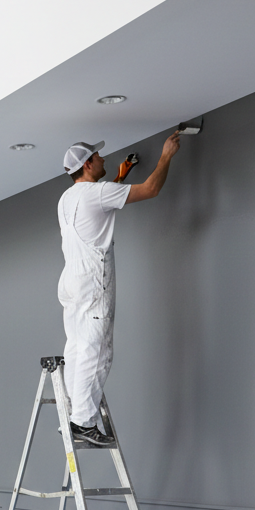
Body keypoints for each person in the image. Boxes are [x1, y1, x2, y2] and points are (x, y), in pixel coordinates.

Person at [57, 133, 181, 447]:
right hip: (92, 281)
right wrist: (166, 154)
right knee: (97, 353)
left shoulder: (68, 198)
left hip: (71, 279)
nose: (103, 158)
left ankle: (71, 417)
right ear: (87, 165)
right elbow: (151, 189)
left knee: (76, 346)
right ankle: (82, 423)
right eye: (97, 157)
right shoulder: (98, 193)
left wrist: (120, 176)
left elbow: (98, 204)